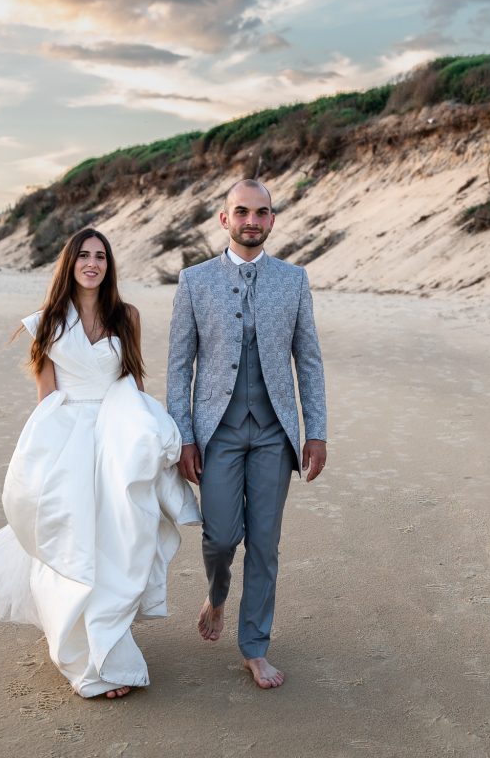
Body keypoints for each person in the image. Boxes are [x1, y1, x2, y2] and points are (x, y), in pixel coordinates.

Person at [0, 227, 199, 699]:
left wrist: (148, 442)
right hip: (69, 446)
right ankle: (86, 660)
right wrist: (39, 466)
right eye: (83, 256)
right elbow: (47, 399)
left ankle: (110, 648)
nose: (92, 263)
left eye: (101, 256)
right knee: (74, 546)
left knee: (119, 544)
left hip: (116, 442)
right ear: (69, 263)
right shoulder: (46, 322)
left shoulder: (126, 316)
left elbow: (133, 384)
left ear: (109, 266)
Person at [166, 179, 327, 690]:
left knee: (264, 543)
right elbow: (178, 368)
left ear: (273, 220)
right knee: (220, 537)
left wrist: (315, 431)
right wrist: (185, 437)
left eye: (261, 212)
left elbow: (309, 362)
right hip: (218, 432)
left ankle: (254, 647)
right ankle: (217, 592)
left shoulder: (294, 280)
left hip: (275, 434)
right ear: (224, 219)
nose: (251, 220)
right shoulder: (194, 282)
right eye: (242, 211)